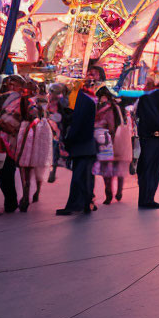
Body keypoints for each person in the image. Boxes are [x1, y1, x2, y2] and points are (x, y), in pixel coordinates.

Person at [56, 65, 101, 216]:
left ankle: (81, 203)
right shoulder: (89, 99)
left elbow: (79, 122)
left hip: (84, 144)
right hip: (87, 144)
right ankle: (85, 202)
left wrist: (69, 140)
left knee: (80, 176)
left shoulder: (85, 100)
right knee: (84, 176)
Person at [135, 74, 159, 209]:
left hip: (146, 137)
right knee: (154, 168)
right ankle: (148, 198)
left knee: (145, 167)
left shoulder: (142, 96)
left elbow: (136, 113)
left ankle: (144, 198)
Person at [0, 74, 25, 213]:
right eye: (8, 83)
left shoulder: (23, 101)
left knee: (7, 172)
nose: (10, 86)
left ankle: (11, 202)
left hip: (12, 140)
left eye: (14, 84)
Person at [93, 86, 130, 203]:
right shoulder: (117, 107)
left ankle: (110, 193)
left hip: (108, 141)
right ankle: (118, 192)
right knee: (118, 167)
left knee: (107, 168)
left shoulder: (106, 109)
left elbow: (111, 126)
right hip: (119, 140)